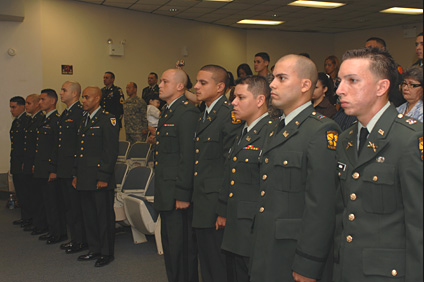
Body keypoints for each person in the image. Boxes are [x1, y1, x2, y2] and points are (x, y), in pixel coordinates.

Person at [333, 48, 423, 282]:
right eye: (339, 81)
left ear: (381, 87)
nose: (340, 89)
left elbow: (419, 227)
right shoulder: (346, 138)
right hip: (349, 269)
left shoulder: (410, 139)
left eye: (352, 80)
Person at [249, 54, 340, 282]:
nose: (272, 84)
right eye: (273, 78)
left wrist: (308, 262)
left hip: (293, 252)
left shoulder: (321, 131)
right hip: (267, 244)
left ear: (305, 85)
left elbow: (321, 207)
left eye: (281, 78)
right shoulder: (275, 127)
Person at [216, 75, 271, 282]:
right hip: (237, 223)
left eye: (240, 97)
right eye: (234, 97)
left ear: (260, 100)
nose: (233, 103)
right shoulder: (244, 131)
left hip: (253, 227)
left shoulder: (270, 133)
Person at [192, 65, 242, 282]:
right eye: (197, 81)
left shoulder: (228, 115)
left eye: (203, 83)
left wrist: (223, 208)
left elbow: (230, 166)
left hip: (215, 203)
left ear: (220, 87)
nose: (196, 86)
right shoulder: (206, 112)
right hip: (203, 199)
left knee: (218, 263)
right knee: (207, 259)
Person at [154, 69, 200, 282]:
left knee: (181, 248)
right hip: (166, 190)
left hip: (177, 194)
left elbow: (188, 156)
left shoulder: (187, 112)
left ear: (180, 86)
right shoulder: (168, 111)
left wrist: (183, 193)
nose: (159, 85)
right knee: (171, 247)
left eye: (165, 81)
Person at [73, 86, 119, 267]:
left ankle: (107, 253)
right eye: (83, 97)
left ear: (97, 98)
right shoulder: (84, 119)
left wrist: (104, 176)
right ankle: (94, 249)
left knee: (103, 217)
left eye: (87, 97)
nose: (83, 100)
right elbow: (80, 150)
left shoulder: (108, 119)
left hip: (100, 178)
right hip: (84, 177)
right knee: (89, 216)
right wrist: (75, 174)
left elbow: (110, 151)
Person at [50, 81, 87, 254]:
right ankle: (75, 239)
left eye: (64, 90)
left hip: (72, 168)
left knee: (75, 208)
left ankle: (80, 241)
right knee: (69, 207)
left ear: (74, 94)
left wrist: (76, 171)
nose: (61, 92)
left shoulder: (79, 113)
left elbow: (79, 144)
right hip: (64, 168)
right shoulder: (66, 113)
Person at [33, 89, 66, 244]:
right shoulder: (43, 119)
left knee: (54, 203)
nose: (40, 102)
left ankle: (58, 233)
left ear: (52, 101)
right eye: (39, 99)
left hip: (50, 168)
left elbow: (56, 147)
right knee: (46, 201)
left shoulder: (56, 120)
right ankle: (51, 230)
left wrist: (53, 169)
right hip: (42, 167)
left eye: (42, 99)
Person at [22, 94, 46, 234]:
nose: (26, 106)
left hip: (37, 163)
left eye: (29, 103)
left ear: (37, 104)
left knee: (38, 197)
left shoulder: (41, 119)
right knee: (33, 195)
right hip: (31, 162)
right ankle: (36, 222)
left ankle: (40, 224)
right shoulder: (31, 120)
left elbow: (39, 146)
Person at [364, 37, 405, 106]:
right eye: (366, 49)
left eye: (371, 47)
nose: (368, 51)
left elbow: (397, 94)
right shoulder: (366, 69)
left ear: (382, 49)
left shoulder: (393, 68)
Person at [9, 96, 31, 227]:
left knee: (26, 192)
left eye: (14, 107)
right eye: (10, 107)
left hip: (23, 162)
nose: (11, 110)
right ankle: (25, 217)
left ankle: (29, 218)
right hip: (16, 161)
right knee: (20, 192)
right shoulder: (16, 122)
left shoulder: (27, 121)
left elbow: (26, 145)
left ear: (22, 107)